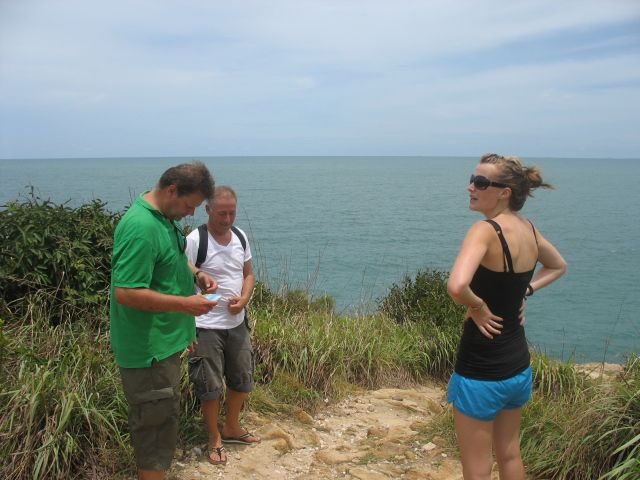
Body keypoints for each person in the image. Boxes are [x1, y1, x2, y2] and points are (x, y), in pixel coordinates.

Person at [446, 153, 567, 480]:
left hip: (481, 370)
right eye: (472, 180)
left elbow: (457, 286)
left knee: (477, 469)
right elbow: (558, 265)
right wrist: (526, 290)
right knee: (510, 453)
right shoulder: (528, 229)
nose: (471, 187)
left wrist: (477, 307)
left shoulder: (484, 231)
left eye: (480, 182)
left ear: (504, 192)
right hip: (517, 367)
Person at [110, 161, 219, 480]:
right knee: (155, 431)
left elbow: (170, 259)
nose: (191, 213)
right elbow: (127, 292)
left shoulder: (163, 218)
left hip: (164, 344)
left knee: (163, 420)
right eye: (189, 205)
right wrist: (186, 305)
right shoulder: (141, 227)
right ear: (172, 190)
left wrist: (196, 274)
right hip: (148, 352)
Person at [185, 185, 260, 466]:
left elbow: (248, 274)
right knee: (210, 385)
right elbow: (180, 271)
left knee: (243, 377)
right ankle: (214, 437)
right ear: (208, 210)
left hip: (237, 323)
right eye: (221, 213)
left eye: (232, 213)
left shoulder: (240, 236)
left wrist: (244, 299)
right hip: (205, 324)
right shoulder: (195, 240)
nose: (227, 219)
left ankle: (232, 427)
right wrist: (199, 274)